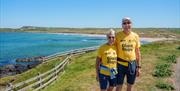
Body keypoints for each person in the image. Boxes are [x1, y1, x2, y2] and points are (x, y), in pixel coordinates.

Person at [115, 17, 141, 91]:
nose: (127, 25)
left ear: (131, 24)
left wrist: (138, 67)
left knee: (130, 85)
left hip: (132, 64)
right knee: (119, 85)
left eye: (128, 22)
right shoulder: (117, 35)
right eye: (124, 23)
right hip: (120, 65)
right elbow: (112, 49)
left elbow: (138, 52)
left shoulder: (135, 36)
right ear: (122, 25)